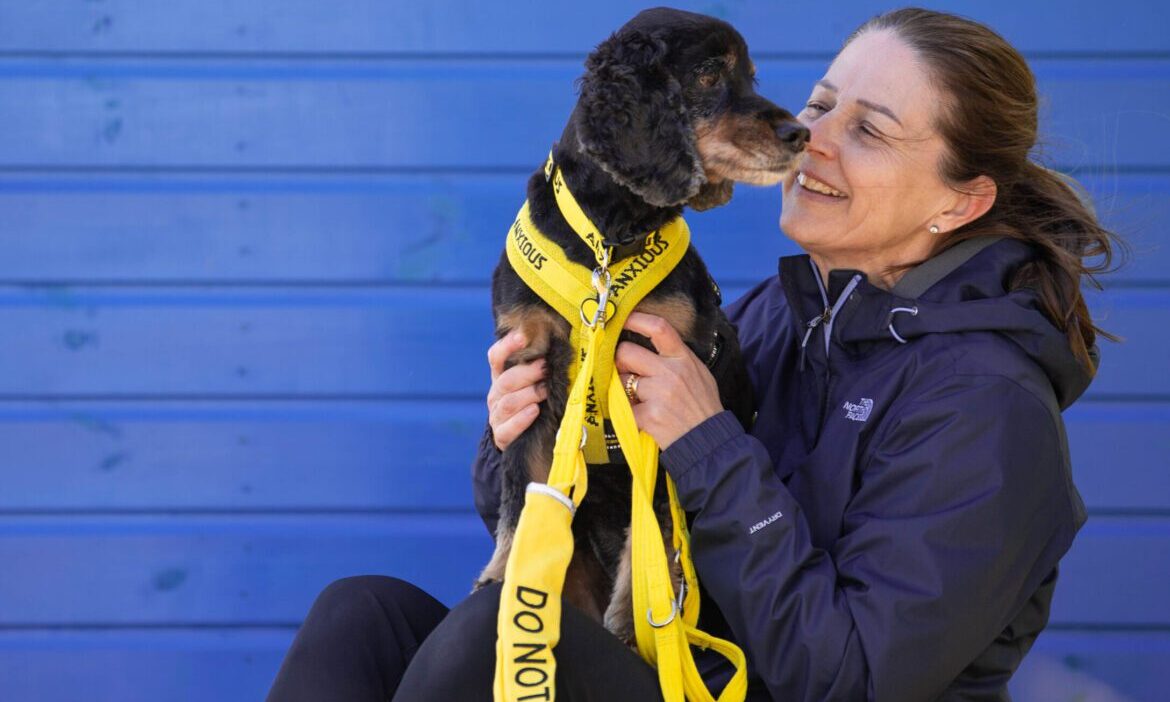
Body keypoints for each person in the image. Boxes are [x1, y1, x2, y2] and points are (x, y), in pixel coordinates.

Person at [266, 8, 1121, 701]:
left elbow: (854, 678)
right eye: (821, 104)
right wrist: (518, 433)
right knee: (362, 615)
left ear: (959, 200)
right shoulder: (778, 316)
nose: (810, 136)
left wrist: (707, 445)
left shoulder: (988, 407)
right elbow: (600, 511)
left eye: (871, 130)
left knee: (503, 639)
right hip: (674, 659)